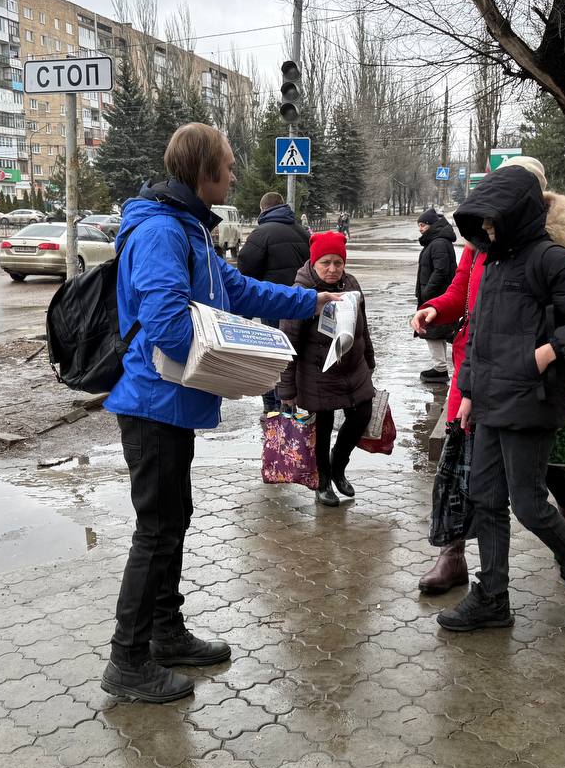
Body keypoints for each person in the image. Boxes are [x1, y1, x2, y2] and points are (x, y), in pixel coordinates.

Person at [103, 122, 341, 704]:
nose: (234, 175)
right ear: (203, 169)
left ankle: (166, 634)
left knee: (172, 520)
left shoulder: (190, 230)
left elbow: (241, 291)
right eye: (228, 166)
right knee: (155, 529)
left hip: (173, 403)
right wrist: (232, 361)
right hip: (152, 402)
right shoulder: (161, 231)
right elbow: (164, 325)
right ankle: (127, 661)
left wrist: (313, 299)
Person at [437, 161, 565, 633]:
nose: (486, 228)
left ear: (518, 213)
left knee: (528, 503)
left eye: (492, 219)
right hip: (489, 401)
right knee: (485, 498)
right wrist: (467, 394)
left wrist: (550, 351)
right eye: (480, 222)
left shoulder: (549, 258)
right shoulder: (493, 261)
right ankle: (493, 598)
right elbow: (480, 334)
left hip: (532, 399)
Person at [412, 165, 565, 595]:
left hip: (529, 384)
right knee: (469, 473)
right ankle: (462, 562)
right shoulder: (483, 244)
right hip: (476, 371)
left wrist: (549, 351)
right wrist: (436, 309)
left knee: (530, 489)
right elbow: (466, 297)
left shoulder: (551, 249)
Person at [276, 231, 376, 508]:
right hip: (316, 374)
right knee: (322, 428)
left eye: (338, 263)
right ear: (314, 262)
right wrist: (287, 390)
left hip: (353, 370)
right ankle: (322, 483)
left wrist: (369, 360)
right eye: (325, 263)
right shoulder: (302, 294)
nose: (332, 269)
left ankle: (338, 465)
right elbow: (288, 343)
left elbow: (362, 328)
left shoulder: (351, 284)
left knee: (362, 415)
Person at [236, 191, 311, 413]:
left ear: (262, 210)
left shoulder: (261, 234)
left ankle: (273, 410)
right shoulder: (303, 231)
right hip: (302, 305)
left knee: (272, 358)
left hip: (272, 305)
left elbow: (244, 271)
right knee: (294, 356)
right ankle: (291, 407)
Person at [414, 207, 458, 384]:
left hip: (436, 297)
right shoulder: (436, 241)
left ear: (431, 225)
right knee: (437, 332)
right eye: (419, 225)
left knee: (433, 331)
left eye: (422, 225)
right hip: (436, 295)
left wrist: (427, 292)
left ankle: (440, 369)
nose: (420, 229)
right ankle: (440, 366)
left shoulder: (438, 243)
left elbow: (441, 271)